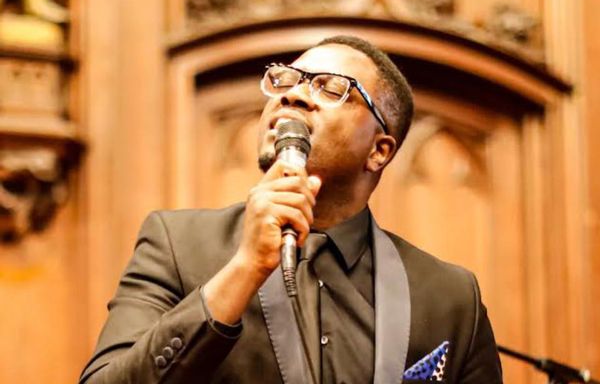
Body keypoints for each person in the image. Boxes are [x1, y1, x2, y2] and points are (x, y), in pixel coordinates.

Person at [80, 35, 503, 384]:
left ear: (379, 150)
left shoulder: (451, 296)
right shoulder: (178, 245)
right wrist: (244, 269)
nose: (294, 95)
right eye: (285, 80)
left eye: (331, 88)